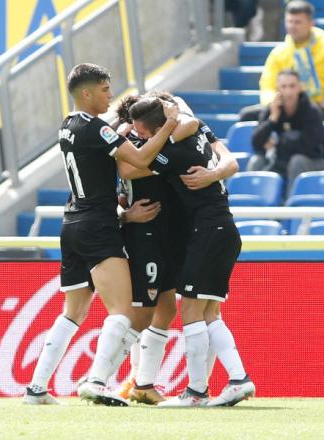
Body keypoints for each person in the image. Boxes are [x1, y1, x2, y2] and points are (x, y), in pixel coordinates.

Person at [23, 63, 180, 406]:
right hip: (98, 225)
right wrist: (168, 124)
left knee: (73, 312)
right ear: (87, 93)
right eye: (106, 89)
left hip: (72, 223)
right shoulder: (97, 129)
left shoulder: (68, 125)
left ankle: (36, 388)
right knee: (122, 312)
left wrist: (124, 214)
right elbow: (137, 158)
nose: (111, 95)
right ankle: (96, 382)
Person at [119, 97, 256, 407]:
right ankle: (238, 379)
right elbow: (194, 124)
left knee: (192, 312)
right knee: (208, 314)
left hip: (208, 231)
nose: (138, 138)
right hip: (223, 230)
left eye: (142, 132)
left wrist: (141, 134)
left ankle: (196, 392)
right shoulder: (196, 134)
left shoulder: (169, 153)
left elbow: (132, 166)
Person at [239, 0, 324, 121]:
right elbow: (267, 85)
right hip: (285, 107)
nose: (292, 26)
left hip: (319, 107)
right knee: (247, 116)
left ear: (311, 23)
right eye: (289, 22)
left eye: (297, 22)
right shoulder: (279, 52)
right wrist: (272, 102)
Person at [250, 69, 324, 193]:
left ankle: (291, 209)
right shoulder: (273, 109)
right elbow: (256, 143)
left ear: (300, 87)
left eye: (292, 86)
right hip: (282, 160)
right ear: (277, 88)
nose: (288, 91)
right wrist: (272, 120)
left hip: (315, 161)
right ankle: (255, 206)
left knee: (297, 161)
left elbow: (307, 148)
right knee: (257, 161)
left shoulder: (312, 111)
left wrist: (277, 144)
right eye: (284, 86)